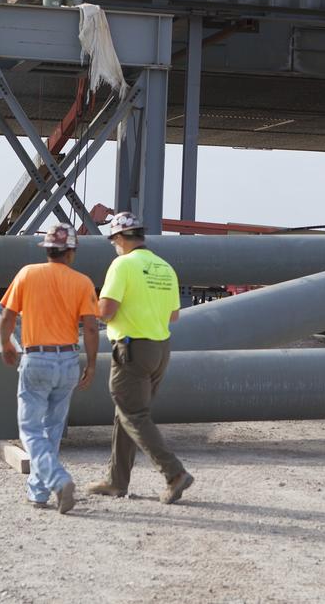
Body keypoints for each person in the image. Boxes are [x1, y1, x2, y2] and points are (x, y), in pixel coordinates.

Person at [85, 212, 194, 504]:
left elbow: (106, 311)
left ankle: (174, 473)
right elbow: (174, 314)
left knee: (133, 414)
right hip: (160, 349)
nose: (114, 247)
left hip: (132, 349)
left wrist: (86, 307)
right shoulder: (164, 267)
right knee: (128, 413)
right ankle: (115, 481)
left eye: (114, 242)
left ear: (120, 238)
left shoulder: (122, 265)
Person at [0, 223, 99, 514]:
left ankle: (57, 479)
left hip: (36, 359)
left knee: (30, 429)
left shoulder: (27, 274)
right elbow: (91, 328)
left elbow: (7, 316)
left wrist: (6, 343)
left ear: (48, 250)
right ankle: (39, 492)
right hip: (68, 360)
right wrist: (91, 364)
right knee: (52, 429)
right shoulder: (82, 282)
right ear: (72, 252)